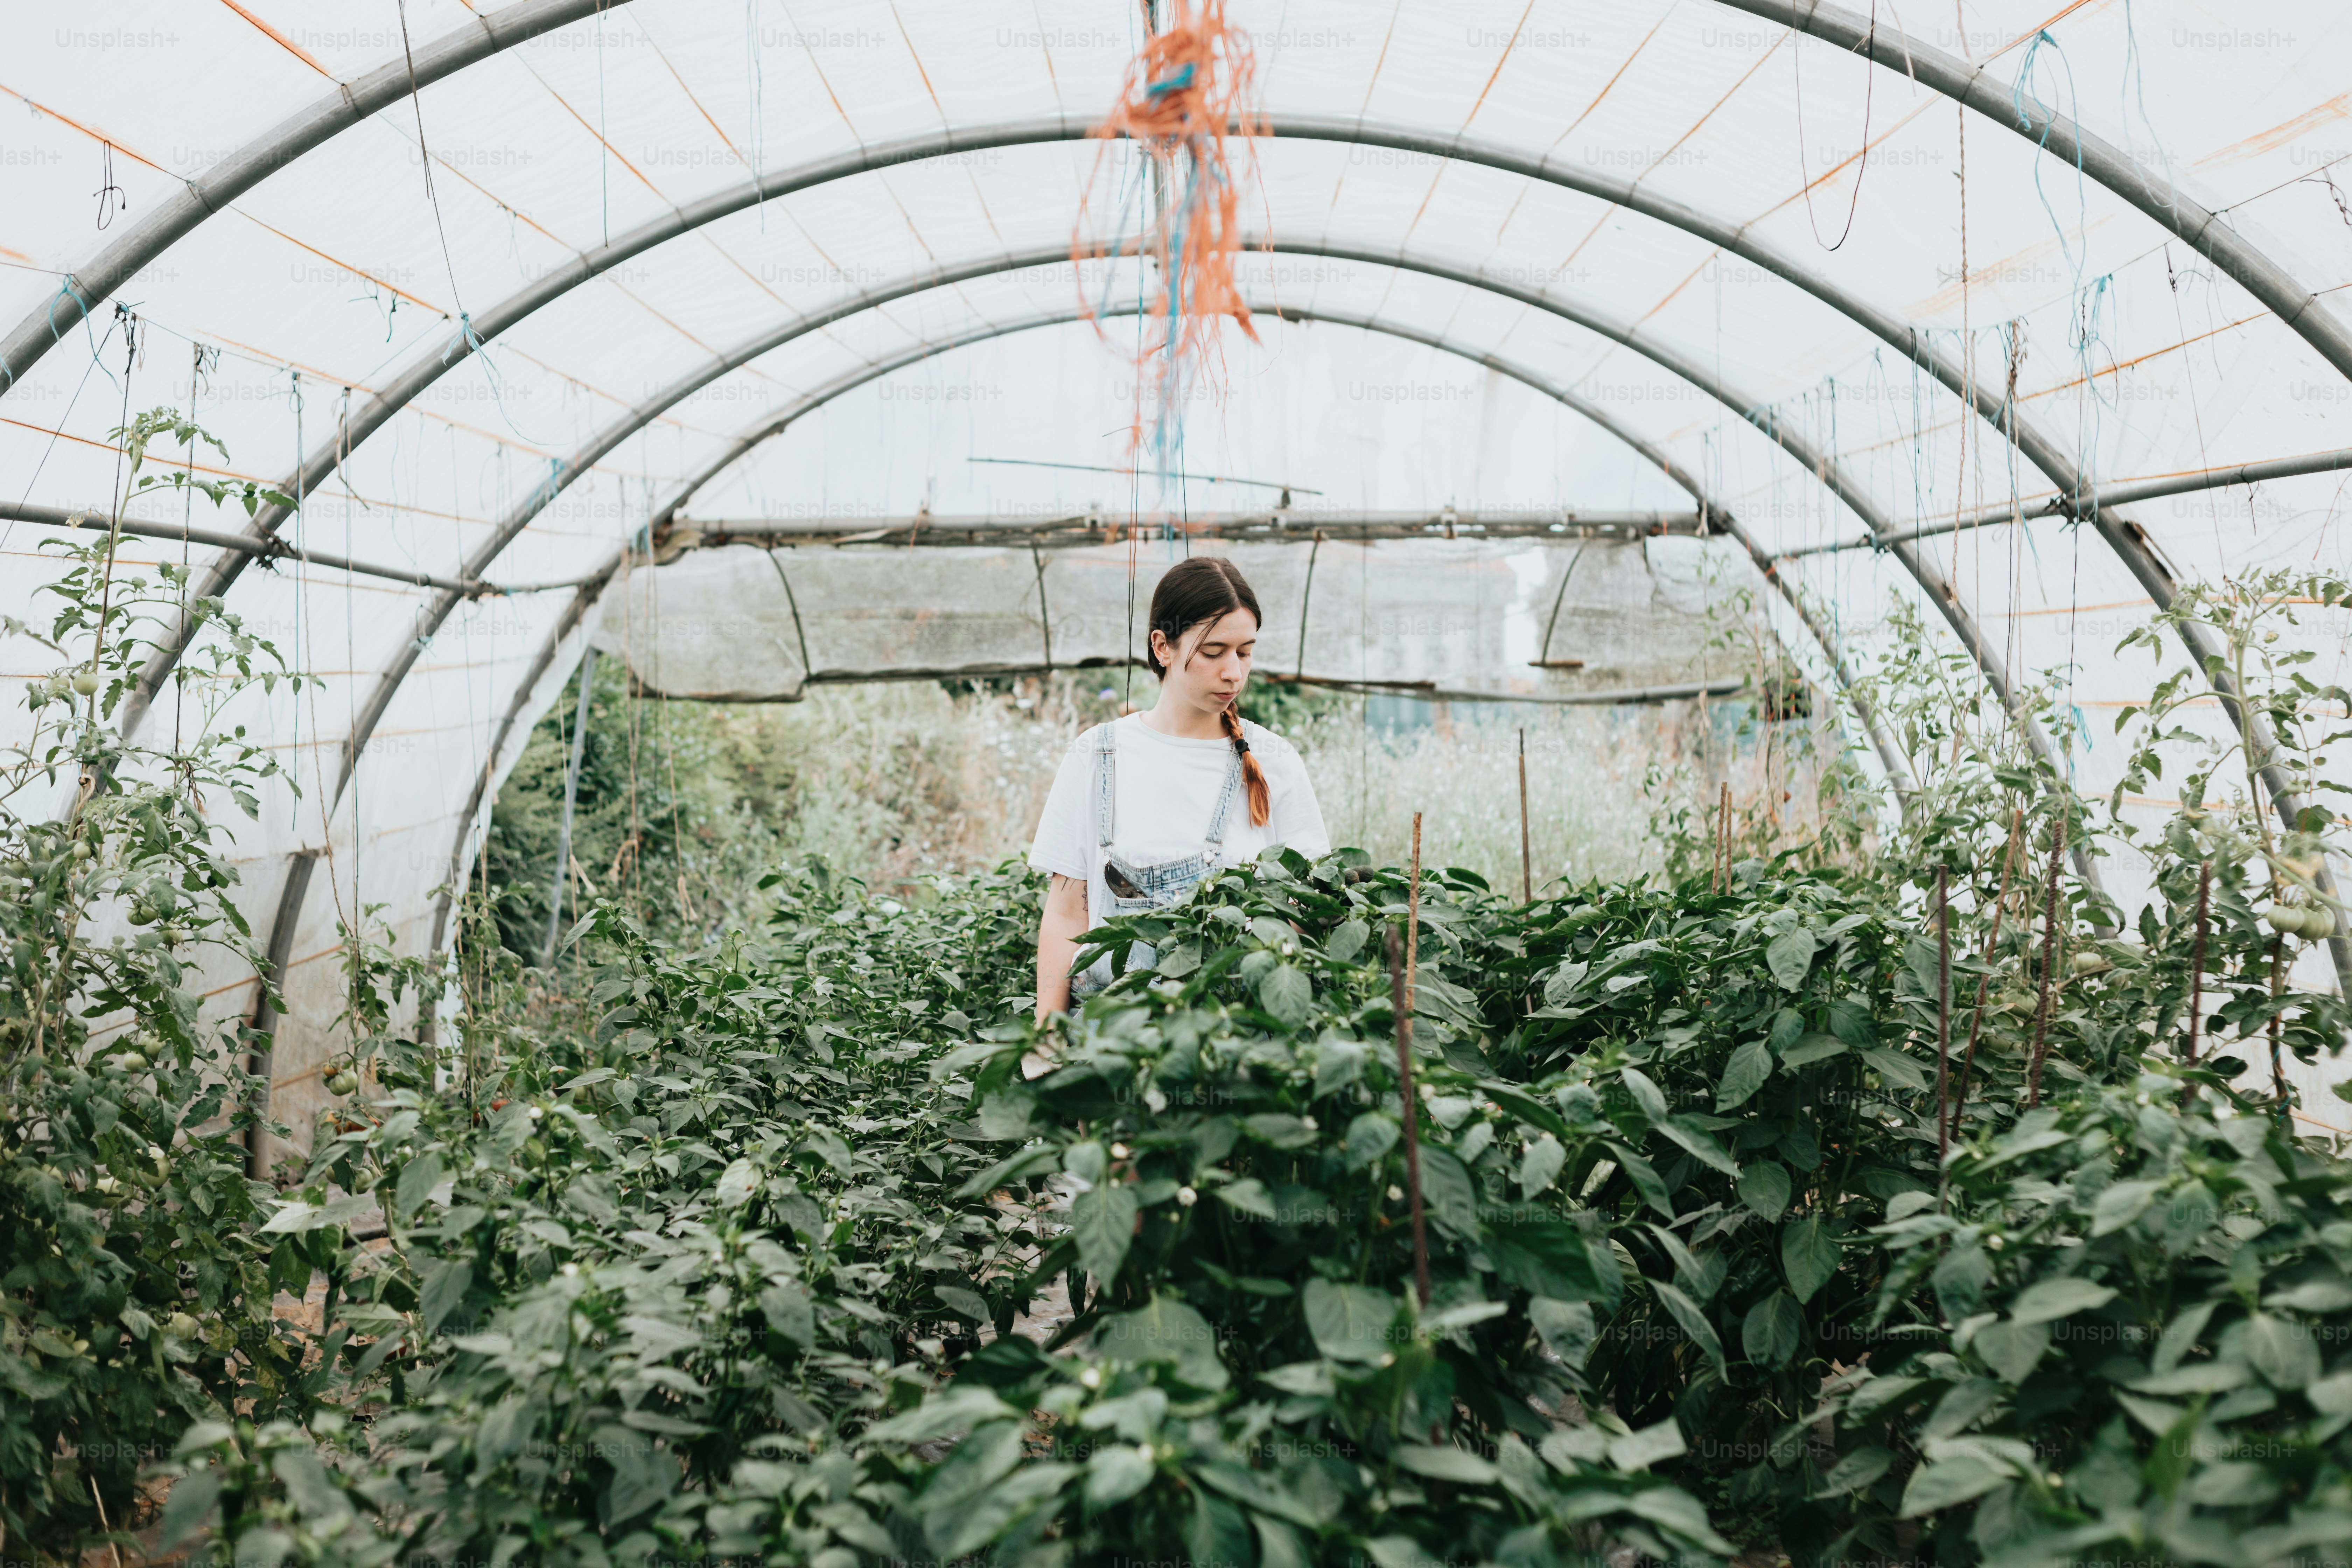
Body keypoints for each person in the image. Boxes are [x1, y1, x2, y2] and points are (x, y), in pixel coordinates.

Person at [1029, 556, 1330, 1020]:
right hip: (1107, 1047)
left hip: (1235, 1046)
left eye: (1245, 652)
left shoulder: (1274, 761)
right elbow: (1067, 913)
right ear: (1163, 647)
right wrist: (1044, 1040)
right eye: (1214, 652)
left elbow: (1301, 913)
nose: (1234, 672)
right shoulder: (1097, 756)